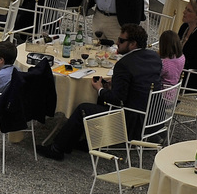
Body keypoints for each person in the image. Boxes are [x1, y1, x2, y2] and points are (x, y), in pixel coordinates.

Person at [37, 23, 163, 158]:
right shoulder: (154, 57)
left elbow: (118, 100)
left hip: (133, 121)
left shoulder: (124, 65)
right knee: (101, 101)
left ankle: (57, 149)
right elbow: (139, 84)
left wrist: (100, 89)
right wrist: (113, 86)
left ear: (133, 44)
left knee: (83, 109)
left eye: (121, 40)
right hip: (154, 117)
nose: (116, 43)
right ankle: (86, 142)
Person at [158, 30, 186, 104]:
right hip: (173, 94)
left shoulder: (164, 63)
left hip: (161, 98)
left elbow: (154, 75)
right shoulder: (182, 57)